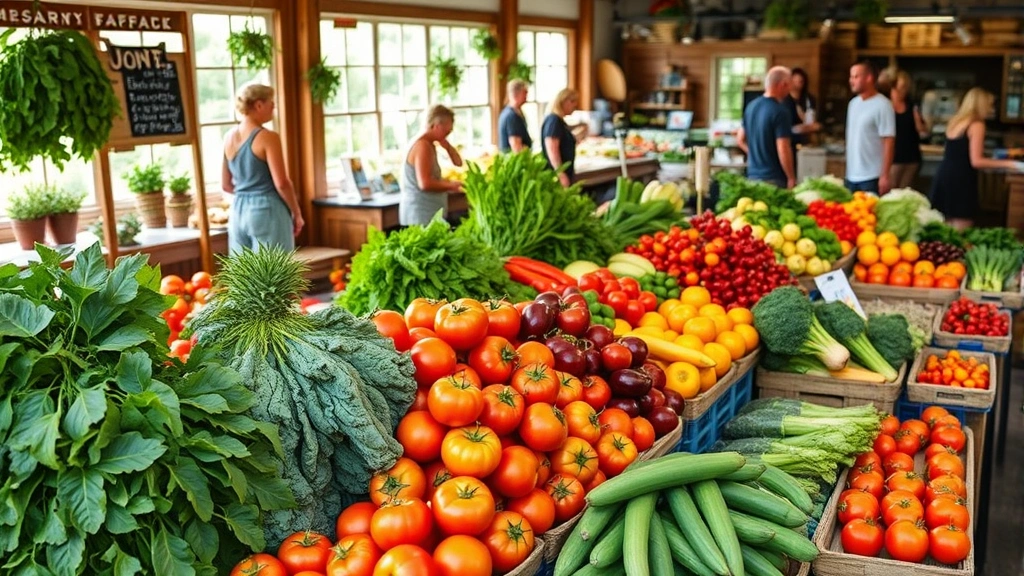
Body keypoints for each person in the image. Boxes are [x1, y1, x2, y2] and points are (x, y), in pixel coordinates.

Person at [222, 83, 303, 254]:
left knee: (243, 277)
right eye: (271, 103)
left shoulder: (228, 137)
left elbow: (226, 185)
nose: (274, 107)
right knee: (273, 277)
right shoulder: (268, 137)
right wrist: (297, 213)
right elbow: (281, 183)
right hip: (267, 209)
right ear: (258, 105)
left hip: (238, 210)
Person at [931, 88, 1024, 230]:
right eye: (990, 104)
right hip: (961, 179)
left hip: (944, 175)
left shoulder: (956, 121)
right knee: (962, 230)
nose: (992, 109)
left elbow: (960, 153)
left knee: (944, 230)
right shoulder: (977, 124)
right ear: (981, 104)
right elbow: (977, 161)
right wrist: (1013, 164)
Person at [399, 104, 464, 226]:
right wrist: (451, 186)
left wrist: (447, 146)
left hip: (428, 213)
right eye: (446, 131)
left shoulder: (429, 144)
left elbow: (458, 163)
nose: (449, 133)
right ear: (437, 126)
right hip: (421, 214)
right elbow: (425, 183)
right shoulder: (422, 146)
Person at [736, 66, 795, 189]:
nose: (790, 89)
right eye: (789, 85)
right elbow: (783, 147)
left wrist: (755, 154)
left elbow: (740, 139)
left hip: (752, 176)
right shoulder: (780, 111)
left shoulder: (751, 106)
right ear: (782, 84)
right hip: (774, 179)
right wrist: (791, 177)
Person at [845, 61, 896, 195]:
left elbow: (889, 141)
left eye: (856, 77)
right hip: (851, 174)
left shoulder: (883, 105)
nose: (851, 81)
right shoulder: (853, 104)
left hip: (872, 176)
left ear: (869, 78)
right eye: (851, 77)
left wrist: (884, 175)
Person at [890, 70, 928, 189]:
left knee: (905, 191)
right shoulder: (884, 106)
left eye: (906, 88)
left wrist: (918, 119)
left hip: (911, 155)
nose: (903, 91)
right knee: (890, 191)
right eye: (901, 87)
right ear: (893, 87)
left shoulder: (912, 106)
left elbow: (923, 131)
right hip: (893, 157)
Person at [542, 88, 585, 187]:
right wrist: (560, 173)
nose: (575, 105)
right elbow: (552, 148)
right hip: (556, 176)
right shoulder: (554, 120)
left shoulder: (558, 121)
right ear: (563, 101)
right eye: (572, 101)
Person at [786, 68, 821, 148]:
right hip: (790, 141)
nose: (797, 84)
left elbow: (817, 123)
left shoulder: (810, 99)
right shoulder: (785, 101)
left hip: (808, 141)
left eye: (800, 81)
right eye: (794, 81)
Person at [498, 79, 532, 153]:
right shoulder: (512, 116)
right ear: (517, 93)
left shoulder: (509, 112)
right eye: (525, 93)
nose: (526, 97)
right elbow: (516, 146)